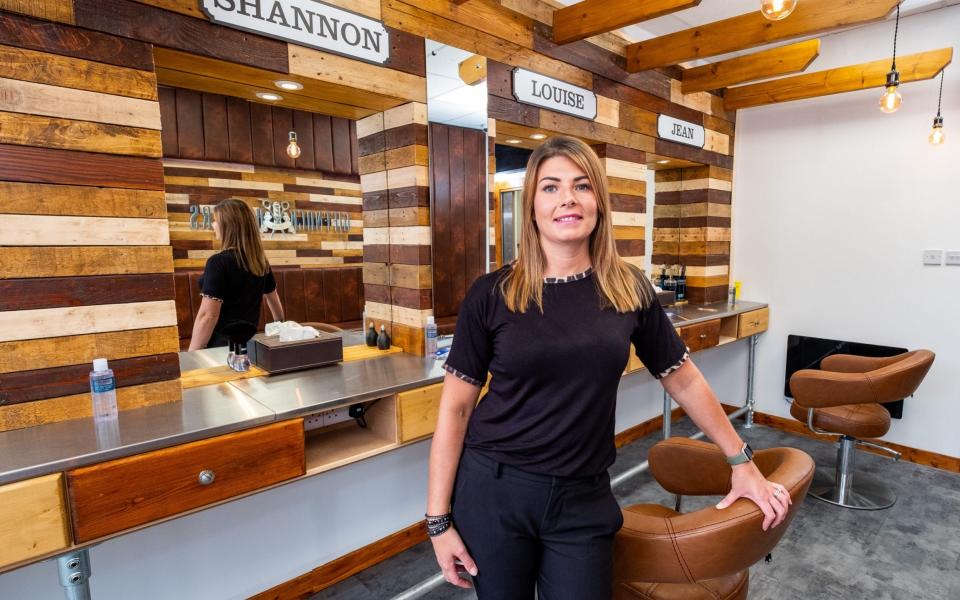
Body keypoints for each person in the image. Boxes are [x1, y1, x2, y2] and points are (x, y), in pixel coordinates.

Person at [425, 136, 791, 599]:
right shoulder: (491, 293)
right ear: (532, 204)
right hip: (495, 491)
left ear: (599, 201)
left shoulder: (627, 288)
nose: (567, 200)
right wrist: (438, 520)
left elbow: (682, 377)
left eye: (581, 186)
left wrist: (741, 460)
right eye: (551, 188)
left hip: (582, 495)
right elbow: (455, 411)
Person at [188, 198, 284, 350]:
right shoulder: (260, 262)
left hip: (220, 349)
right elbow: (275, 303)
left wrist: (192, 354)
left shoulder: (218, 262)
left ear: (228, 226)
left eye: (215, 220)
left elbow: (208, 316)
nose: (213, 225)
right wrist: (279, 330)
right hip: (249, 345)